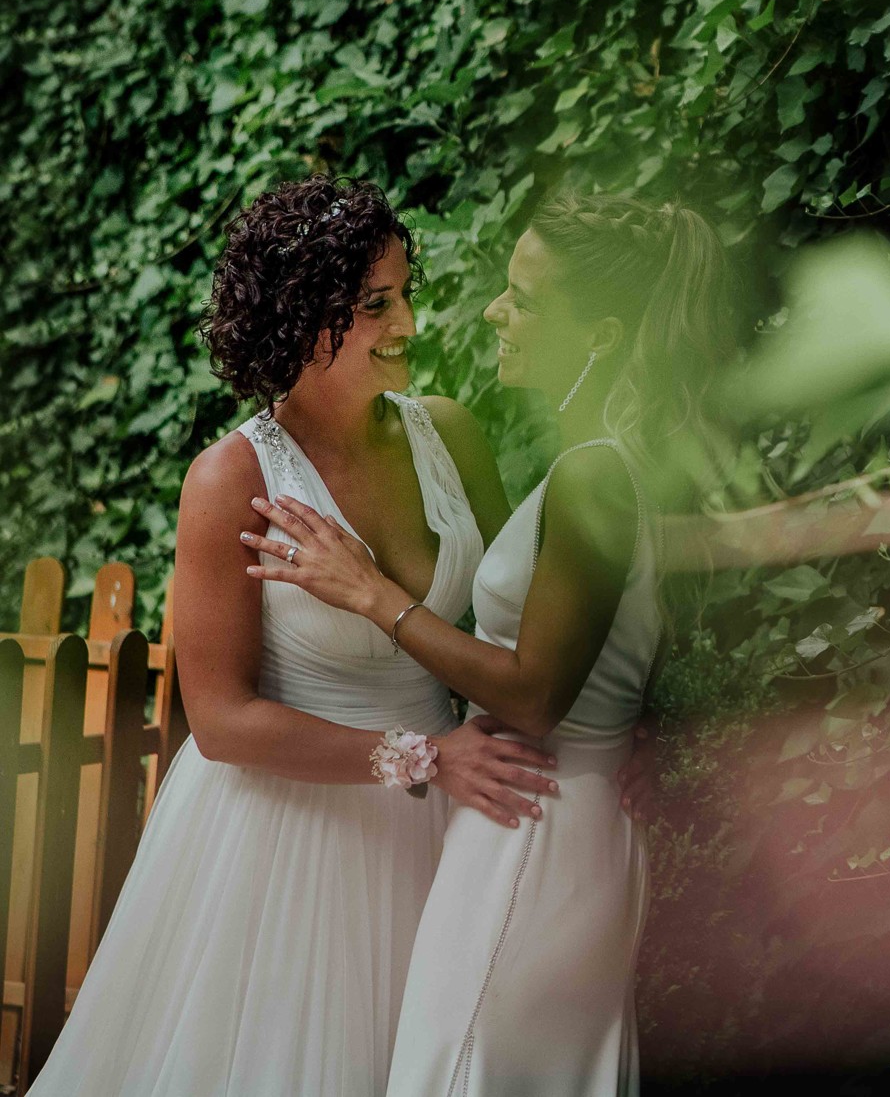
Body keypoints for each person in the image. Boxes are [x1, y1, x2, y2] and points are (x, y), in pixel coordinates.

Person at [28, 177, 555, 1096]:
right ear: (305, 317)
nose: (412, 325)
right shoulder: (230, 480)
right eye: (376, 305)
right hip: (287, 847)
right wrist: (427, 756)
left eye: (405, 295)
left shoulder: (455, 438)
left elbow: (525, 621)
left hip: (450, 827)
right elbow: (225, 721)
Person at [247, 190, 730, 1096]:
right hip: (562, 815)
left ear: (599, 337)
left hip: (530, 827)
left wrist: (373, 593)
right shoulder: (607, 462)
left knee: (463, 1069)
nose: (492, 312)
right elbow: (611, 645)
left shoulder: (592, 474)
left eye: (525, 297)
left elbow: (536, 689)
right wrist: (627, 736)